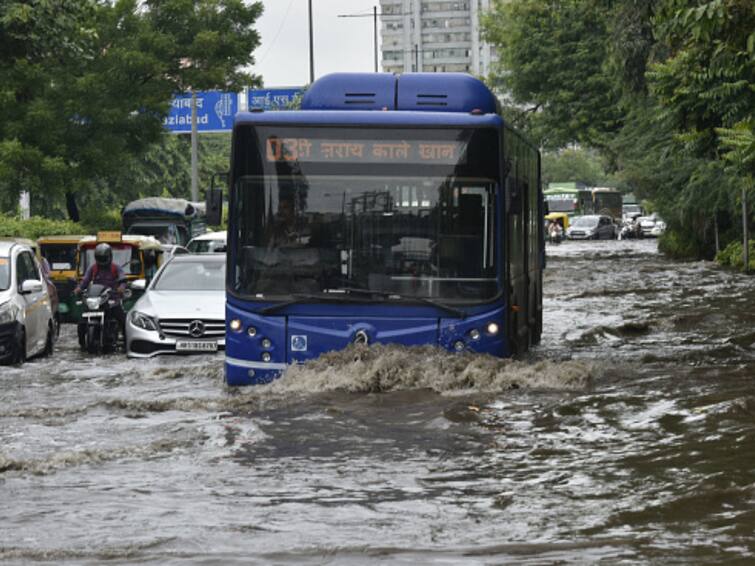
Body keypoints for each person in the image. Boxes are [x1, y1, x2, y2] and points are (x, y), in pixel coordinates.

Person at [74, 243, 127, 339]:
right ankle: (82, 340)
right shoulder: (93, 268)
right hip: (97, 299)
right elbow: (85, 280)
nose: (102, 260)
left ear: (110, 256)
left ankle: (126, 340)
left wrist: (121, 288)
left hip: (112, 298)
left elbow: (123, 279)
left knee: (122, 319)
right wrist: (79, 289)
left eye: (104, 258)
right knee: (82, 318)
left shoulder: (116, 268)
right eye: (100, 258)